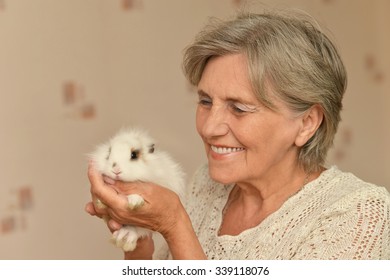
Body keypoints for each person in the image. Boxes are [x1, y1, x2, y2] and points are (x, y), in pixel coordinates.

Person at [85, 10, 390, 259]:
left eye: (240, 108)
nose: (209, 128)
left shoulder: (359, 215)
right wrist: (137, 236)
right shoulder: (207, 185)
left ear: (307, 123)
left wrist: (175, 225)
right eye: (205, 101)